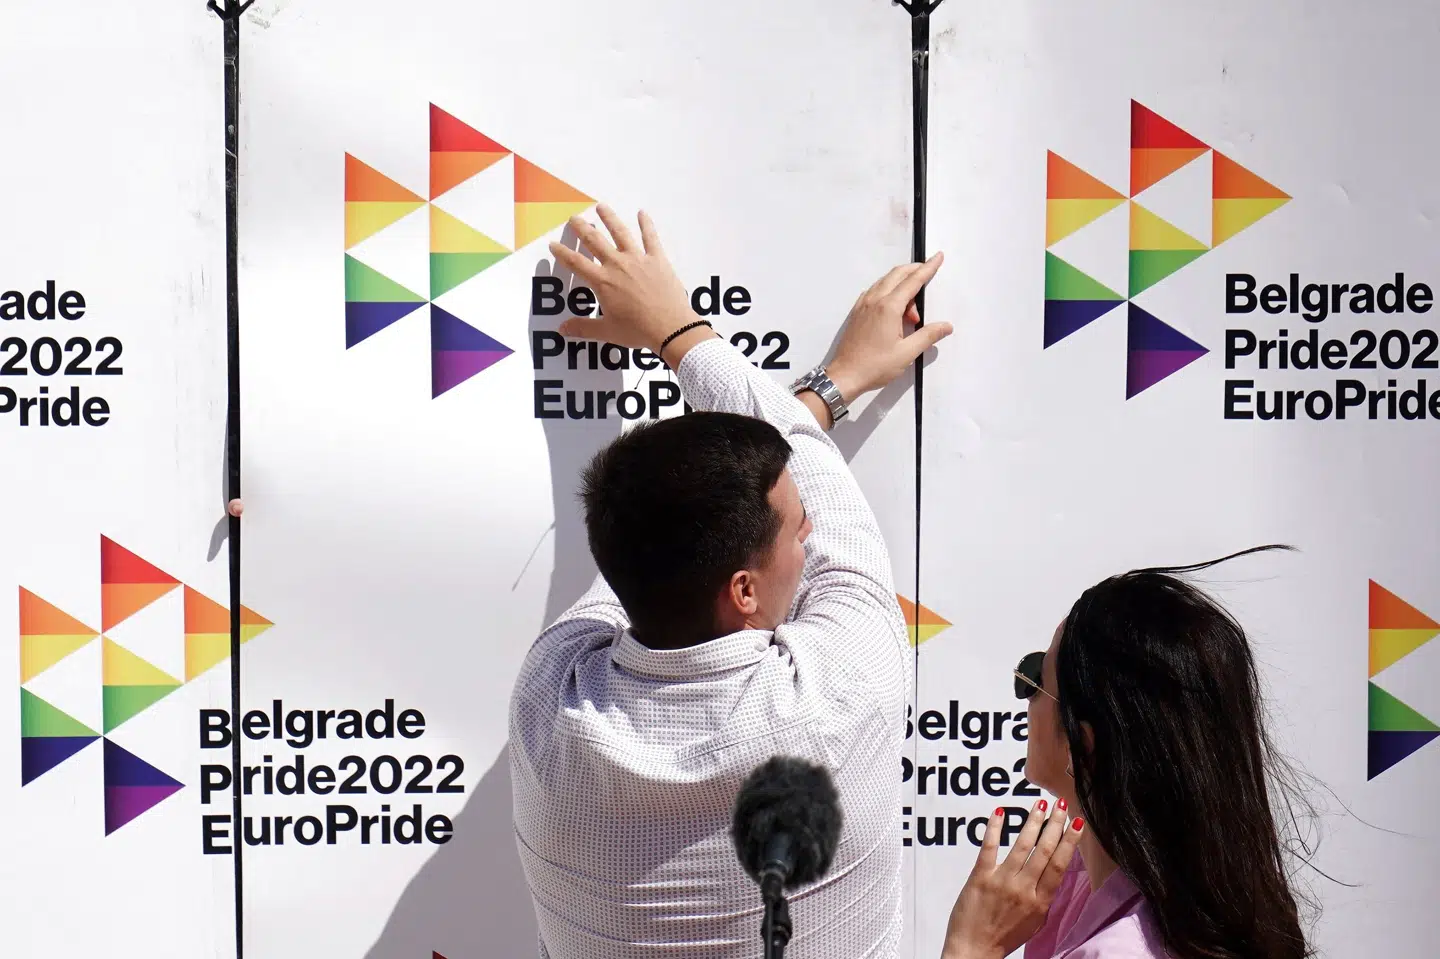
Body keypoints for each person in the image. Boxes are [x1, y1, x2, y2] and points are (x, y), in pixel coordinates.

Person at [508, 205, 953, 959]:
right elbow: (807, 476)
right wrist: (677, 330)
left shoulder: (548, 695)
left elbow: (653, 544)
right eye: (793, 527)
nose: (810, 532)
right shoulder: (845, 692)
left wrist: (818, 398)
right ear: (743, 591)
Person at [940, 546, 1313, 959]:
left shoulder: (1114, 950)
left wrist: (971, 946)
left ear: (1083, 743)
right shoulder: (1122, 896)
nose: (1024, 698)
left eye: (1034, 679)